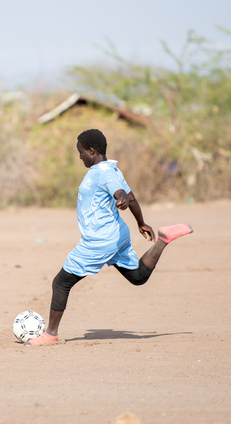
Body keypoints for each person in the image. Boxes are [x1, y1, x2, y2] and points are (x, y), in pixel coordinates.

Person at [26, 129, 193, 346]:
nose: (79, 157)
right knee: (138, 277)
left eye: (81, 152)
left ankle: (50, 335)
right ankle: (163, 240)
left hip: (99, 241)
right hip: (117, 236)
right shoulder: (112, 169)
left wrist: (120, 199)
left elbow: (123, 196)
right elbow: (131, 198)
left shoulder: (103, 174)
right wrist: (140, 222)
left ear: (92, 151)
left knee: (61, 283)